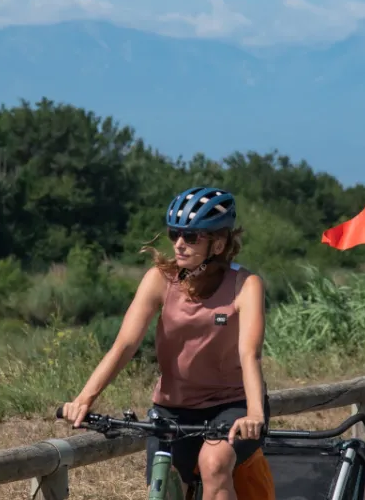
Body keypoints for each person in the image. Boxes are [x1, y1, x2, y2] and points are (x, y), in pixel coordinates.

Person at [58, 186, 272, 500]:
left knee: (213, 463)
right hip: (172, 409)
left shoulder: (245, 284)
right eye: (174, 234)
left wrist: (254, 413)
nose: (180, 245)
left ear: (219, 243)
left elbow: (249, 353)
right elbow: (125, 345)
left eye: (192, 237)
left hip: (231, 405)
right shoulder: (160, 279)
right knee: (165, 485)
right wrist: (84, 399)